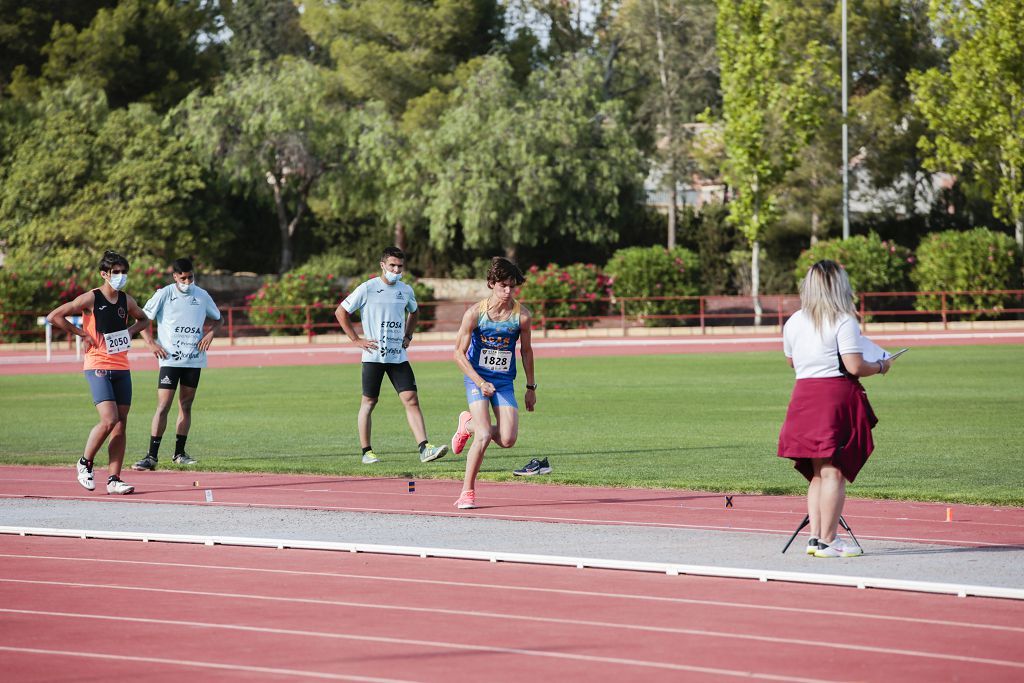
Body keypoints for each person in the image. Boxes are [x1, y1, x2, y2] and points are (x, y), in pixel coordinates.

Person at [777, 260, 892, 558]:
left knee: (817, 472)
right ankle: (829, 540)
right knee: (834, 473)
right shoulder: (843, 319)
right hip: (833, 396)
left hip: (803, 395)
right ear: (838, 286)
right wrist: (881, 365)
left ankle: (816, 538)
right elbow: (855, 365)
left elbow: (791, 361)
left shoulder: (794, 321)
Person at [46, 250, 156, 495]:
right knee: (109, 419)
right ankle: (85, 462)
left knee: (121, 423)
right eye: (116, 272)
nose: (121, 276)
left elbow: (145, 320)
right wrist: (83, 335)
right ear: (104, 274)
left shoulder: (126, 300)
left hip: (121, 366)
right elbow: (55, 316)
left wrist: (129, 332)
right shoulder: (91, 298)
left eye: (124, 272)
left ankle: (114, 479)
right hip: (97, 365)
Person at [335, 246, 448, 464]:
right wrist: (356, 340)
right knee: (369, 402)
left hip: (397, 356)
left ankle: (425, 448)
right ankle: (366, 452)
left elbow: (414, 312)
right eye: (392, 265)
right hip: (373, 356)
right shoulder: (367, 288)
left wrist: (408, 335)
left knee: (411, 399)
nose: (396, 270)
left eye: (400, 266)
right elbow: (341, 312)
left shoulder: (406, 290)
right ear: (382, 265)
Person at [450, 257, 537, 509]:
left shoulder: (522, 317)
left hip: (504, 381)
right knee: (486, 433)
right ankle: (467, 491)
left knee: (508, 439)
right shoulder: (474, 314)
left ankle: (467, 424)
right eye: (503, 286)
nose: (508, 291)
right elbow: (457, 353)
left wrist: (531, 387)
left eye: (512, 286)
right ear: (491, 284)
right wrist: (479, 381)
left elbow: (527, 352)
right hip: (476, 377)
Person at [132, 258, 223, 471]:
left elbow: (219, 319)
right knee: (163, 406)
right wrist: (151, 343)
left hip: (194, 360)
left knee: (186, 405)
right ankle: (151, 456)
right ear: (174, 277)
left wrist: (210, 334)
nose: (187, 281)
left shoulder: (202, 295)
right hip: (170, 360)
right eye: (183, 278)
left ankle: (179, 454)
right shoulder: (164, 294)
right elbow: (142, 319)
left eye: (190, 277)